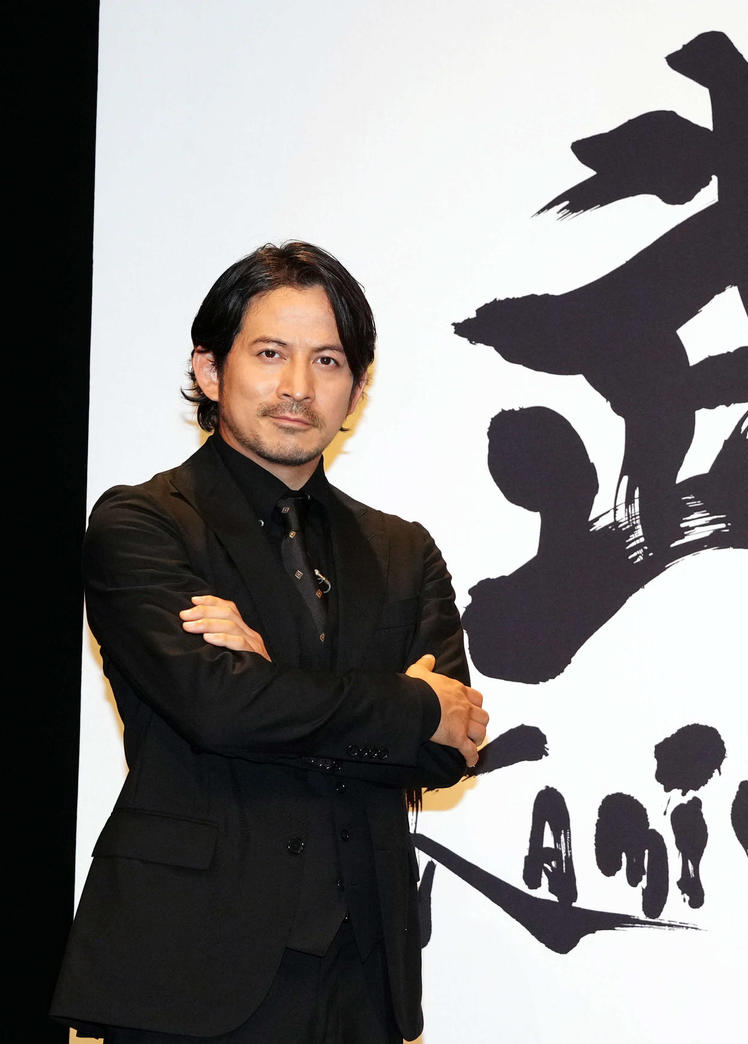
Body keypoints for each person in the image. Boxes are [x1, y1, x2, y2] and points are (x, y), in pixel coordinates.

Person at [52, 242, 489, 1042]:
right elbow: (218, 709)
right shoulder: (143, 524)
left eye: (328, 360)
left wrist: (273, 682)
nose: (298, 386)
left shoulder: (402, 550)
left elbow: (446, 750)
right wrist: (408, 704)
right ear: (210, 370)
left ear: (358, 387)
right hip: (187, 969)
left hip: (362, 977)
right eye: (269, 354)